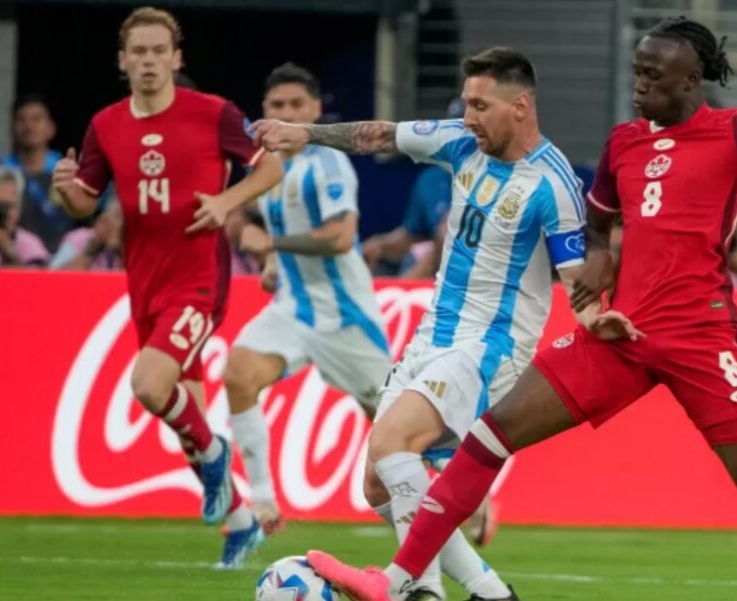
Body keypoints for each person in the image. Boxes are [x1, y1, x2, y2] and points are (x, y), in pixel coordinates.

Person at [299, 16, 737, 601]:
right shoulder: (624, 144)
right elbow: (603, 227)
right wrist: (600, 277)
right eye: (636, 70)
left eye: (651, 74)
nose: (638, 84)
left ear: (689, 79)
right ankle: (395, 583)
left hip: (703, 338)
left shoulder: (735, 135)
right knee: (490, 435)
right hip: (624, 335)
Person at [253, 46, 624, 601]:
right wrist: (307, 134)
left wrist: (597, 316)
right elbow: (380, 135)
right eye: (467, 104)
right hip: (434, 336)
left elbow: (577, 277)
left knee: (394, 440)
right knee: (378, 481)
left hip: (493, 346)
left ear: (520, 106)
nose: (468, 116)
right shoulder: (458, 142)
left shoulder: (553, 184)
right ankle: (482, 593)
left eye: (480, 105)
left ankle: (417, 590)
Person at [49, 7, 283, 568]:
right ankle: (242, 520)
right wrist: (65, 191)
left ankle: (217, 457)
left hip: (199, 278)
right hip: (144, 281)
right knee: (188, 417)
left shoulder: (212, 113)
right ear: (123, 61)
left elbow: (269, 167)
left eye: (160, 51)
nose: (149, 61)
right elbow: (85, 199)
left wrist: (227, 202)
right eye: (140, 52)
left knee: (151, 387)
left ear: (176, 60)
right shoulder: (106, 124)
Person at [221, 62, 392, 536]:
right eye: (278, 106)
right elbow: (271, 229)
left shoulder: (328, 162)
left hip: (345, 314)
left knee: (395, 435)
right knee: (238, 375)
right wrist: (276, 265)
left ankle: (470, 507)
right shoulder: (271, 169)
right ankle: (262, 505)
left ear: (315, 110)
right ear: (265, 113)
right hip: (293, 308)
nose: (287, 113)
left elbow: (340, 237)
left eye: (297, 105)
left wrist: (270, 247)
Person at [362, 99, 463, 278]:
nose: (460, 140)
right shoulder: (431, 179)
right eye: (455, 132)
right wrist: (382, 244)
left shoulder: (499, 174)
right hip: (434, 267)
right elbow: (414, 233)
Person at [0, 95, 74, 253]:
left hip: (62, 262)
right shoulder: (0, 173)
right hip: (14, 258)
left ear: (51, 128)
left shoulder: (67, 171)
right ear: (11, 127)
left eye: (36, 119)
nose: (29, 126)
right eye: (21, 120)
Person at [0, 165, 50, 268]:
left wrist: (8, 253)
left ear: (18, 208)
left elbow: (32, 283)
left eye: (6, 206)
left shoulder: (29, 246)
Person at [50, 196, 124, 270]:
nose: (119, 224)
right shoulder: (80, 238)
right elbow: (53, 276)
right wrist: (95, 243)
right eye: (115, 216)